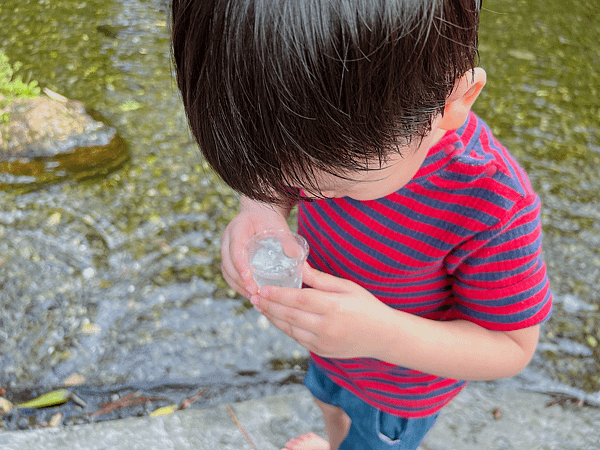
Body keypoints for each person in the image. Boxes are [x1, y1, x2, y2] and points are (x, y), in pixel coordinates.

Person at [171, 0, 552, 448]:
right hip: (332, 346)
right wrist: (260, 209)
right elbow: (279, 173)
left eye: (324, 189)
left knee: (367, 435)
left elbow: (511, 349)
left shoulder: (492, 203)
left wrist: (379, 334)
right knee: (331, 407)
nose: (296, 191)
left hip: (395, 390)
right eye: (281, 175)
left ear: (453, 103)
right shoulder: (328, 137)